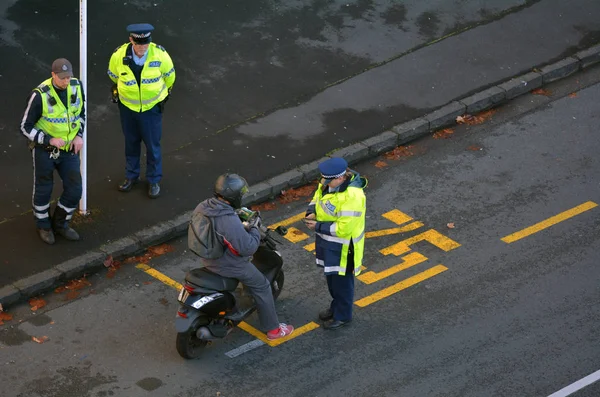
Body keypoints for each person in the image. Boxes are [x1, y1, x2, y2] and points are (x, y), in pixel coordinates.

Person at [194, 173, 294, 340]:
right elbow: (247, 248)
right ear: (233, 196)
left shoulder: (204, 207)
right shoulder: (227, 220)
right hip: (227, 263)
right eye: (240, 195)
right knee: (261, 285)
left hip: (209, 256)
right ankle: (274, 330)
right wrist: (254, 228)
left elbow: (222, 231)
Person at [19, 58, 85, 245]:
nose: (66, 81)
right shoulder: (39, 95)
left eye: (69, 77)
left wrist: (79, 135)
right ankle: (43, 226)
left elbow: (81, 114)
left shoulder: (77, 87)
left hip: (68, 149)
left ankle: (60, 224)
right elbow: (25, 126)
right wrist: (49, 140)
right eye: (62, 78)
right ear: (53, 75)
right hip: (44, 151)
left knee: (75, 189)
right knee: (43, 189)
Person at [107, 23, 176, 199]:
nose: (142, 48)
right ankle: (131, 176)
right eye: (139, 44)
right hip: (128, 108)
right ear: (131, 40)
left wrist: (160, 97)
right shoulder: (118, 55)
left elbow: (170, 77)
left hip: (151, 109)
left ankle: (153, 180)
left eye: (146, 44)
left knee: (153, 146)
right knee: (131, 143)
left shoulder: (160, 54)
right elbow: (113, 75)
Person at [304, 157, 367, 330]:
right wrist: (311, 212)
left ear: (340, 178)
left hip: (344, 248)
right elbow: (317, 198)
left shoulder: (353, 196)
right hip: (328, 243)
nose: (323, 182)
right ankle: (336, 307)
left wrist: (318, 226)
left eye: (328, 180)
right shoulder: (328, 183)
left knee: (342, 284)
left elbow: (344, 229)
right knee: (332, 281)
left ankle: (343, 315)